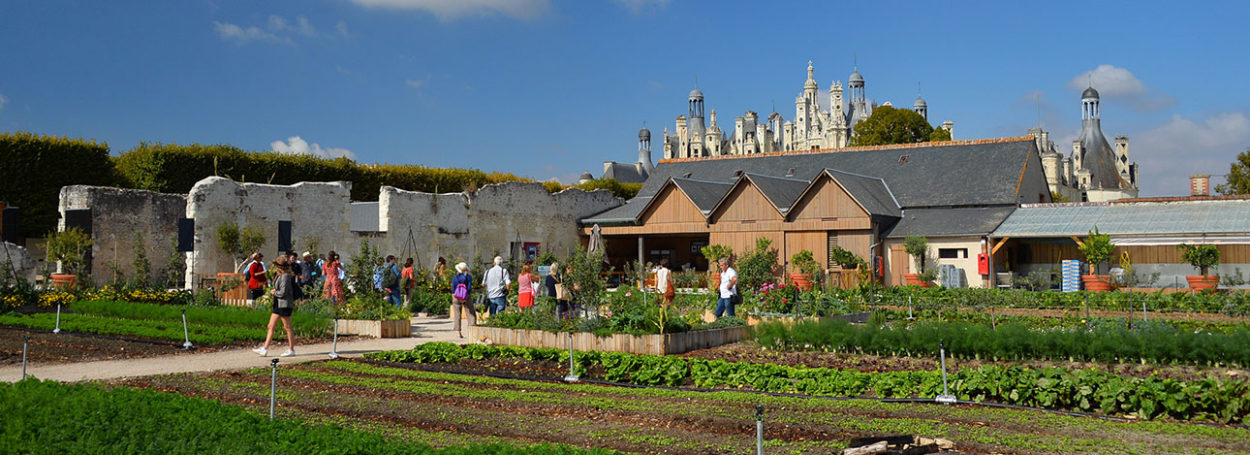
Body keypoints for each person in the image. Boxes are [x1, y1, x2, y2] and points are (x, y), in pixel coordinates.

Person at [254, 255, 296, 357]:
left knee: (287, 327)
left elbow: (283, 292)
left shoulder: (285, 276)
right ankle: (265, 348)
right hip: (278, 303)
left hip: (284, 304)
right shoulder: (279, 275)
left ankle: (291, 349)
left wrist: (274, 292)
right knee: (271, 325)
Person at [449, 262, 475, 338]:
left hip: (456, 296)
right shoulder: (469, 277)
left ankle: (459, 332)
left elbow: (453, 288)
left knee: (457, 314)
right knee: (471, 313)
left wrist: (455, 295)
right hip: (466, 296)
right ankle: (472, 330)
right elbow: (469, 288)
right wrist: (466, 296)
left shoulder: (455, 277)